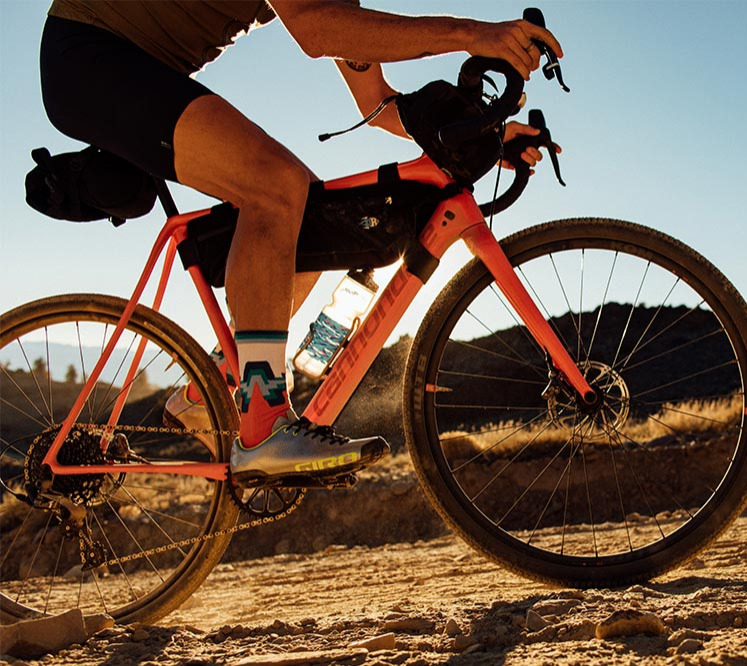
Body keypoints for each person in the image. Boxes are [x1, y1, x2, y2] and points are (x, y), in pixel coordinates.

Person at [40, 0, 563, 484]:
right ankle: (265, 423)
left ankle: (217, 388)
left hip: (126, 68)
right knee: (276, 186)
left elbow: (378, 104)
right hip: (88, 54)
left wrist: (489, 139)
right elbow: (313, 30)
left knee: (311, 215)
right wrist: (472, 34)